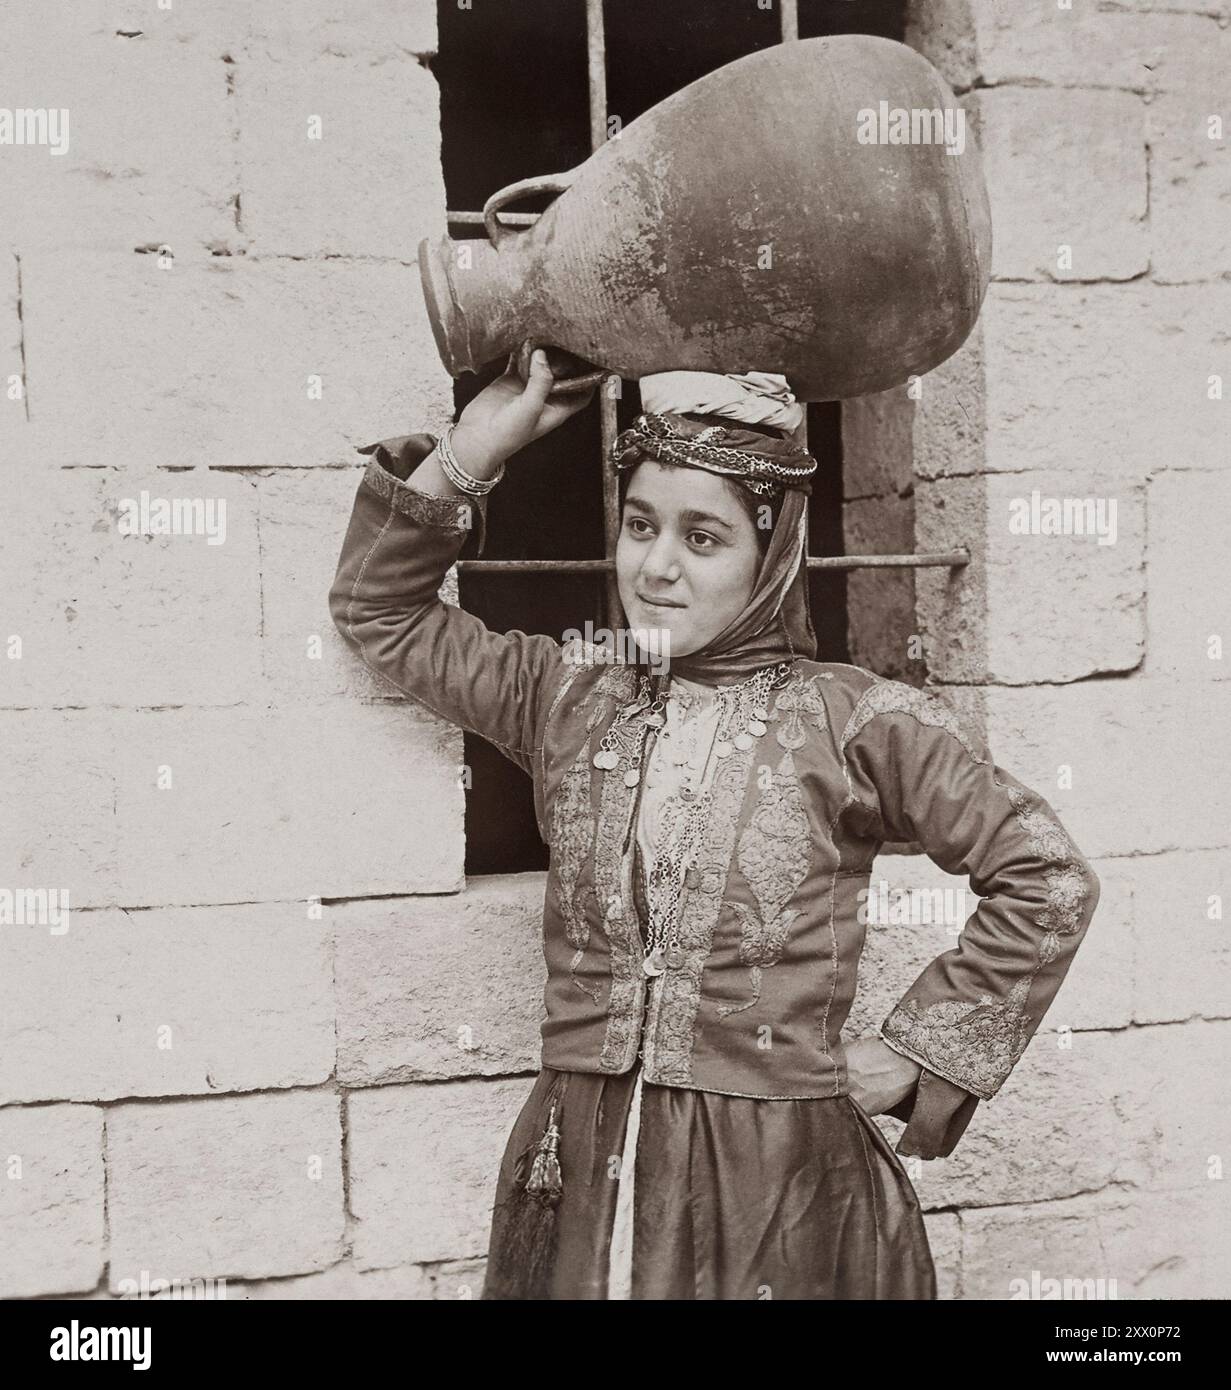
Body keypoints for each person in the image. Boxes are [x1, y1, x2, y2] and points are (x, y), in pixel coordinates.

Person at [329, 350, 1100, 1300]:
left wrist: (916, 1052)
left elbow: (1046, 875)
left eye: (703, 539)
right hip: (578, 1165)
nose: (654, 567)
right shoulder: (566, 691)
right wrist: (476, 446)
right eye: (641, 525)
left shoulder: (855, 721)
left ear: (769, 557)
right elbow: (380, 609)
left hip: (775, 1179)